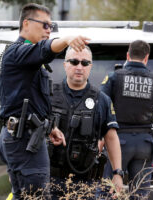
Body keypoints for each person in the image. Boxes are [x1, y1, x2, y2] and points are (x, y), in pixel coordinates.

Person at [0, 3, 90, 199]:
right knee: (37, 196)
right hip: (23, 140)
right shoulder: (17, 52)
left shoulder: (30, 61)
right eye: (45, 25)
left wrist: (50, 128)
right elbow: (44, 49)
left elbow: (33, 100)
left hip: (29, 136)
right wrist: (65, 40)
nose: (49, 30)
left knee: (26, 195)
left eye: (52, 26)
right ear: (27, 23)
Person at [101, 40, 153, 199]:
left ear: (127, 55)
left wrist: (100, 137)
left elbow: (100, 106)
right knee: (140, 195)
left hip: (117, 143)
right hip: (144, 146)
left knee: (108, 192)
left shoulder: (114, 77)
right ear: (146, 58)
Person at [48, 45, 123, 199]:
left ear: (90, 67)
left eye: (85, 63)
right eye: (74, 62)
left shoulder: (101, 100)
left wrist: (117, 173)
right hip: (49, 179)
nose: (79, 67)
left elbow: (111, 137)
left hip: (84, 184)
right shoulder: (48, 95)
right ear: (65, 64)